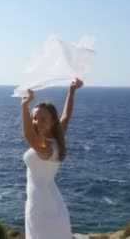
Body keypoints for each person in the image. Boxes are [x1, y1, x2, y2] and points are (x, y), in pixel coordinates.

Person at [22, 78, 83, 239]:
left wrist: (24, 106)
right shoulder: (57, 140)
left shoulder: (47, 149)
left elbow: (29, 136)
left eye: (43, 119)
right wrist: (72, 91)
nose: (37, 122)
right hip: (52, 202)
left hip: (40, 206)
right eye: (34, 118)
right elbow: (66, 116)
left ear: (52, 122)